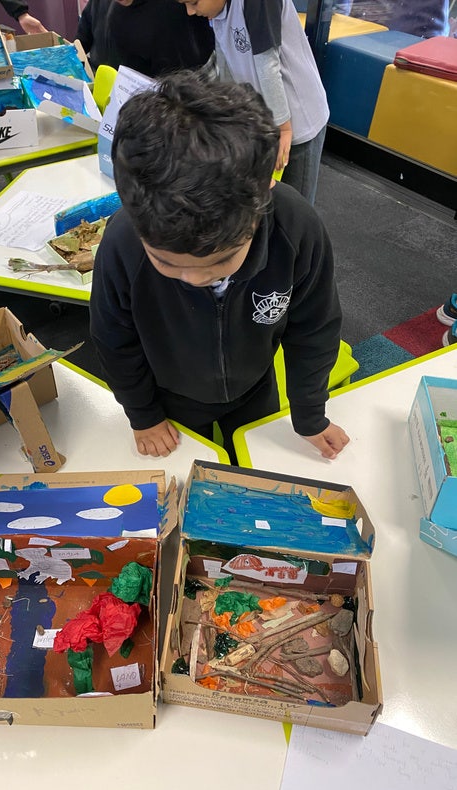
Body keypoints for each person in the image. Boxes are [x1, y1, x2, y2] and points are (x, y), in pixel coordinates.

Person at [89, 71, 350, 464]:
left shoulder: (296, 227)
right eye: (166, 262)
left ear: (261, 204)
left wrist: (310, 415)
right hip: (169, 393)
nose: (195, 279)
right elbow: (113, 339)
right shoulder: (122, 242)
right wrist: (143, 415)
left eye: (221, 261)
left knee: (257, 477)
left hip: (254, 386)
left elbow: (314, 330)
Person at [177, 0, 329, 205]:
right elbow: (224, 59)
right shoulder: (218, 9)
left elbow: (267, 65)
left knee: (294, 204)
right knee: (267, 202)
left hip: (296, 118)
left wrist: (283, 128)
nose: (190, 12)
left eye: (194, 2)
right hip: (265, 119)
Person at [76, 0, 214, 78]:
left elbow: (179, 86)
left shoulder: (173, 12)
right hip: (101, 84)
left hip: (150, 100)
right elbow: (82, 37)